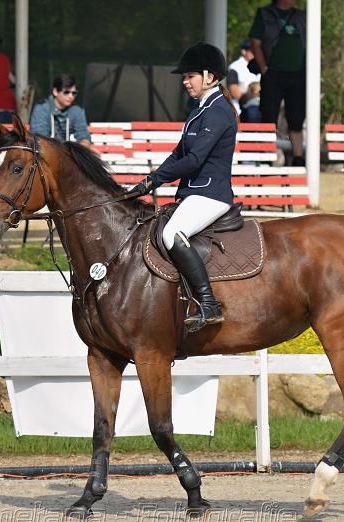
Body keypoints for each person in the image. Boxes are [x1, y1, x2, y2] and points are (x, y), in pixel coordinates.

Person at [125, 42, 239, 333]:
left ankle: (208, 304)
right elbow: (178, 154)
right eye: (185, 77)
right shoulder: (200, 109)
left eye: (190, 76)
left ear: (210, 76)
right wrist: (147, 181)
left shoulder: (218, 112)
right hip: (195, 192)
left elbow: (195, 158)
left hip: (211, 194)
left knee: (172, 234)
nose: (185, 82)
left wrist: (155, 181)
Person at [249, 0, 306, 166]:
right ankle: (265, 155)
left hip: (298, 75)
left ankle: (297, 157)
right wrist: (264, 68)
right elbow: (255, 42)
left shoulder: (302, 16)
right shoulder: (265, 14)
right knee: (269, 115)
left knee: (296, 118)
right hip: (273, 74)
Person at [28, 74, 91, 147]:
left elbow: (83, 135)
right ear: (55, 91)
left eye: (74, 93)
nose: (71, 96)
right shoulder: (42, 108)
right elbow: (39, 137)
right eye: (66, 92)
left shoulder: (76, 110)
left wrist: (83, 150)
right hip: (46, 152)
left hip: (66, 153)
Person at [226, 38, 261, 115]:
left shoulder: (260, 65)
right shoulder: (235, 67)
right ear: (244, 51)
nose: (255, 53)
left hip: (259, 106)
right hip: (240, 109)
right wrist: (248, 97)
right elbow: (233, 91)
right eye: (252, 51)